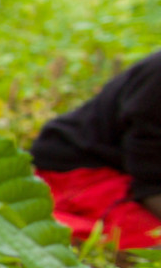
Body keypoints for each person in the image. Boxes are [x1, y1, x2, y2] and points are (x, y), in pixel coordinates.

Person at [30, 51, 161, 250]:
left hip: (131, 169)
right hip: (80, 166)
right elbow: (148, 164)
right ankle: (26, 222)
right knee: (151, 243)